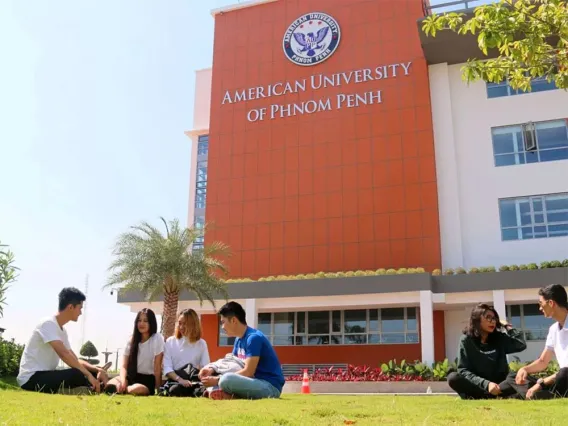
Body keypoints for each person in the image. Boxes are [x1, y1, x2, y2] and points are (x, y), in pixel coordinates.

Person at [17, 287, 109, 394]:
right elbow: (64, 354)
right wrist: (88, 375)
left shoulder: (62, 330)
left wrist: (96, 370)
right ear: (70, 307)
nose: (80, 312)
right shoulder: (48, 324)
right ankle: (95, 387)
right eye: (80, 308)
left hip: (46, 375)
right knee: (77, 373)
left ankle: (102, 385)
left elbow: (74, 359)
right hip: (30, 379)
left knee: (87, 372)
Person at [199, 301, 285, 400]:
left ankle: (228, 394)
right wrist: (212, 369)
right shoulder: (238, 339)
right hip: (252, 382)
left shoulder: (253, 338)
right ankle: (228, 395)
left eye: (223, 322)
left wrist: (217, 379)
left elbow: (248, 372)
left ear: (234, 320)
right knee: (222, 378)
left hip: (269, 386)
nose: (222, 327)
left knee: (226, 379)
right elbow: (233, 364)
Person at [447, 303, 527, 399]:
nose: (492, 321)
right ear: (477, 320)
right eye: (488, 317)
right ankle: (490, 396)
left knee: (516, 374)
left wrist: (507, 326)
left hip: (499, 386)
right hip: (479, 386)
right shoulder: (466, 340)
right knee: (453, 378)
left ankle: (488, 396)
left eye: (494, 318)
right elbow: (463, 370)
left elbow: (521, 344)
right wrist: (487, 384)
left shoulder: (499, 338)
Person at [507, 284, 568, 400]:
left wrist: (540, 384)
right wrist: (524, 369)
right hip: (560, 380)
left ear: (551, 303)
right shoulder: (553, 329)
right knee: (513, 376)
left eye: (541, 303)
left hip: (564, 377)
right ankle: (538, 395)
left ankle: (537, 395)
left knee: (564, 373)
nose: (540, 308)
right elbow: (543, 361)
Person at [104, 308, 164, 396]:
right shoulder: (131, 340)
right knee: (110, 384)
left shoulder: (157, 338)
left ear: (151, 323)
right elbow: (124, 366)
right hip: (131, 377)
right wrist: (123, 380)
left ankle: (121, 390)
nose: (141, 323)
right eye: (139, 320)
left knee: (136, 389)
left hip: (147, 380)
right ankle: (118, 387)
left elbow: (157, 367)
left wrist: (158, 389)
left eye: (145, 321)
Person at [161, 309, 210, 396]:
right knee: (174, 390)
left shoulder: (201, 343)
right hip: (176, 380)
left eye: (185, 324)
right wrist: (180, 380)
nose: (181, 327)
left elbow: (205, 367)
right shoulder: (170, 341)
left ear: (193, 324)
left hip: (193, 381)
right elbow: (167, 368)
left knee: (200, 391)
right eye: (180, 323)